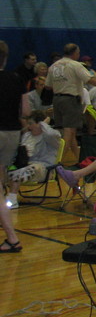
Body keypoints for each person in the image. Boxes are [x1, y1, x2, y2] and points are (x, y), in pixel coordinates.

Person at [45, 43, 96, 164]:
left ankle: (79, 159)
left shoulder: (53, 66)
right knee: (68, 132)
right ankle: (56, 163)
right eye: (78, 53)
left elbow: (48, 86)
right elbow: (90, 79)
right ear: (74, 53)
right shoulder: (75, 65)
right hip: (70, 99)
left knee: (71, 131)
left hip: (57, 99)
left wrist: (61, 84)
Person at [7, 110, 62, 215]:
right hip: (25, 165)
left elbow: (51, 133)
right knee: (9, 168)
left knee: (23, 170)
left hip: (43, 168)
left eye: (31, 123)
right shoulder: (27, 136)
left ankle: (12, 199)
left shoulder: (50, 138)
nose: (29, 127)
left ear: (40, 124)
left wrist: (44, 123)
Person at [0, 41, 24, 246]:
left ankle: (12, 238)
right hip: (12, 133)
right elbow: (25, 112)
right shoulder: (16, 79)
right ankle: (11, 238)